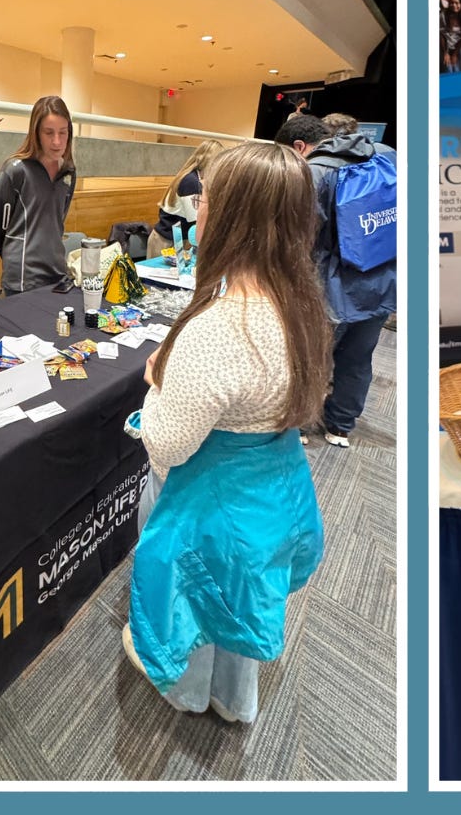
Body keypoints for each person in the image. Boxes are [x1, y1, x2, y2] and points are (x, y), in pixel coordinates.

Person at [124, 141, 332, 724]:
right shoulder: (301, 305)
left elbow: (167, 445)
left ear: (232, 216)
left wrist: (156, 382)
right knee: (242, 593)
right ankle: (232, 699)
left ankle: (187, 694)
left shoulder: (219, 329)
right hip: (271, 489)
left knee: (194, 599)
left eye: (206, 199)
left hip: (207, 500)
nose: (198, 209)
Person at [273, 114, 397, 450]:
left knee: (310, 358)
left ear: (300, 147)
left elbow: (301, 240)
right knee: (358, 358)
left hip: (329, 289)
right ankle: (340, 426)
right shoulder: (386, 155)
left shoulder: (313, 172)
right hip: (381, 283)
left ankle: (299, 426)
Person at [0, 95, 76, 295]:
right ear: (36, 133)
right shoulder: (16, 170)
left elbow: (57, 221)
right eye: (49, 133)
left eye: (63, 132)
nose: (57, 141)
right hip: (23, 279)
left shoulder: (69, 173)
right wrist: (15, 254)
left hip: (57, 274)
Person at [148, 139, 223, 257]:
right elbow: (196, 222)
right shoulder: (191, 182)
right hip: (166, 243)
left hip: (172, 240)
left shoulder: (193, 178)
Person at [441, 7, 461, 73]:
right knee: (448, 69)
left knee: (457, 69)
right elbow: (442, 36)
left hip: (456, 48)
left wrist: (455, 54)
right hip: (445, 48)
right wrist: (445, 53)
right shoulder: (443, 18)